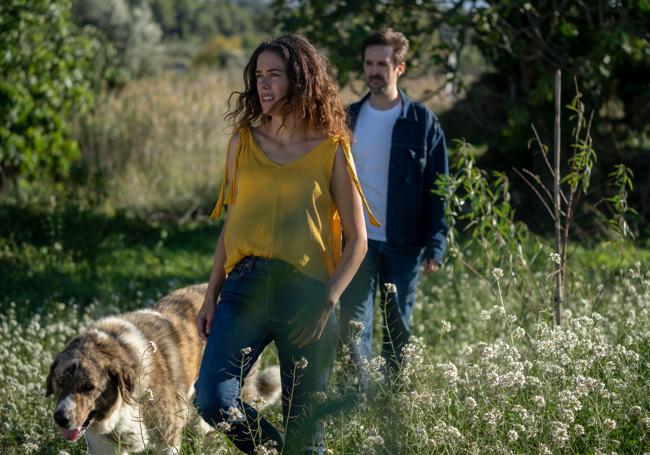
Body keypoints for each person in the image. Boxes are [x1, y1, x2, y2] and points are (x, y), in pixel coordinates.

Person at [193, 34, 377, 455]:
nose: (264, 84)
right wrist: (210, 294)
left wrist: (327, 301)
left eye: (275, 74)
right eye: (259, 75)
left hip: (307, 295)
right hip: (244, 288)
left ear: (301, 80)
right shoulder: (243, 141)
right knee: (212, 399)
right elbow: (231, 225)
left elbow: (358, 241)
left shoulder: (331, 148)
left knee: (306, 431)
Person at [339, 29, 449, 385]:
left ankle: (394, 403)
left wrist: (436, 242)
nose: (374, 71)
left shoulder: (422, 122)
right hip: (357, 242)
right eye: (369, 63)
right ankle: (360, 399)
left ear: (399, 68)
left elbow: (438, 187)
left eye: (382, 64)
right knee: (354, 328)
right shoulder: (346, 119)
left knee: (397, 327)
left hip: (405, 242)